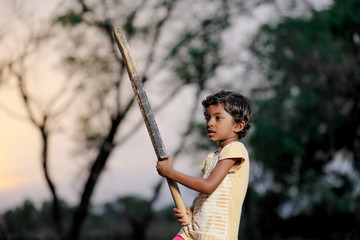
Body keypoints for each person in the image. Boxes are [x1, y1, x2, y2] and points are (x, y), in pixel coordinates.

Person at [156, 90, 252, 240]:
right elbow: (206, 194)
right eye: (208, 117)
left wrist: (170, 172)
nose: (210, 123)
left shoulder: (235, 149)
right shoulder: (212, 156)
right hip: (193, 229)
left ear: (238, 126)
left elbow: (208, 186)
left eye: (218, 117)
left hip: (215, 234)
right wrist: (192, 210)